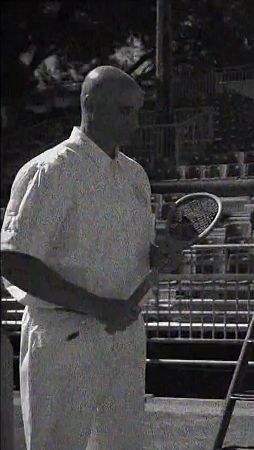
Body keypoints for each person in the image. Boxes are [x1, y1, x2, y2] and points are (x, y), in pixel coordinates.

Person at [0, 66, 181, 449]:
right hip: (65, 339)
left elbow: (133, 253)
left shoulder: (135, 175)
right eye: (123, 111)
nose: (133, 121)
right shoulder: (50, 170)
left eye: (136, 111)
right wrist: (98, 307)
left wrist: (157, 255)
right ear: (89, 105)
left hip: (126, 338)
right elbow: (15, 261)